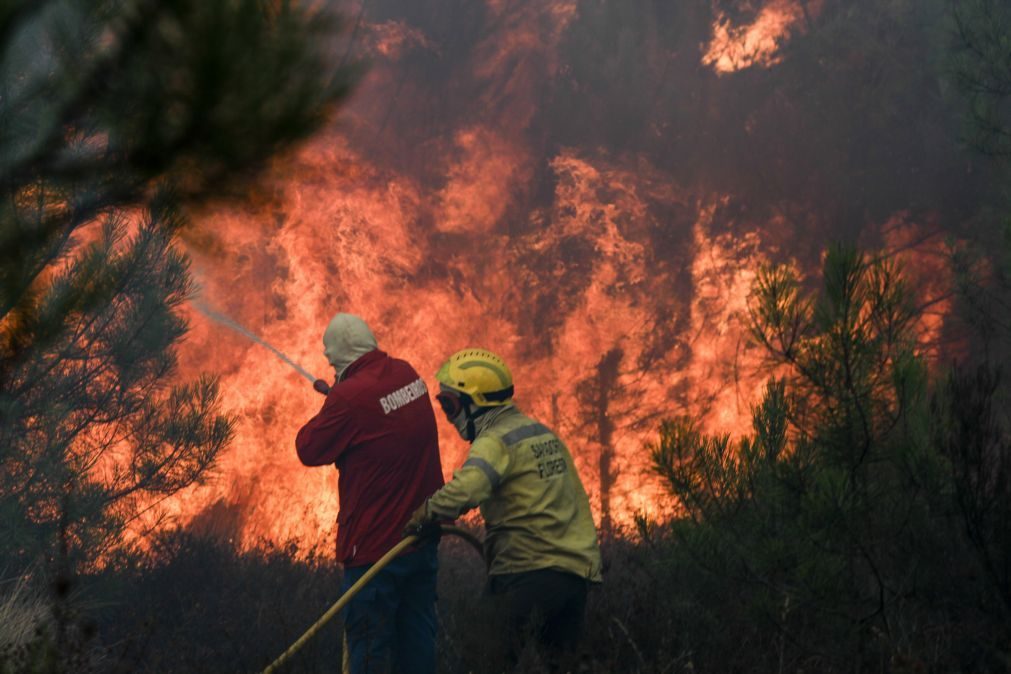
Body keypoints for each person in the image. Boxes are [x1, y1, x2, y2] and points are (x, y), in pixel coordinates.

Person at [405, 348, 602, 662]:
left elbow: (466, 490)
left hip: (526, 575)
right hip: (573, 579)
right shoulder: (541, 435)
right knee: (559, 665)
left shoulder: (495, 440)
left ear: (475, 402)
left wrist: (425, 513)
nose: (447, 415)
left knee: (480, 657)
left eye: (449, 404)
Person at [295, 313, 444, 674]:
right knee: (417, 643)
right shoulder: (406, 373)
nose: (330, 367)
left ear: (341, 356)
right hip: (420, 539)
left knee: (367, 649)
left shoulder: (348, 399)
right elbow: (380, 421)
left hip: (375, 551)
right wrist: (342, 401)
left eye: (332, 361)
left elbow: (309, 449)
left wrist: (335, 403)